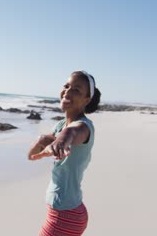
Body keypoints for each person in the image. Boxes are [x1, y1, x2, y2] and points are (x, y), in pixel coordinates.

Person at [28, 70, 101, 236]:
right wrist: (42, 141)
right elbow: (31, 156)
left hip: (65, 214)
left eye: (76, 89)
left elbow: (71, 134)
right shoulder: (60, 125)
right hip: (67, 210)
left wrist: (61, 141)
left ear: (87, 100)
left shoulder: (84, 127)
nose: (68, 91)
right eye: (66, 86)